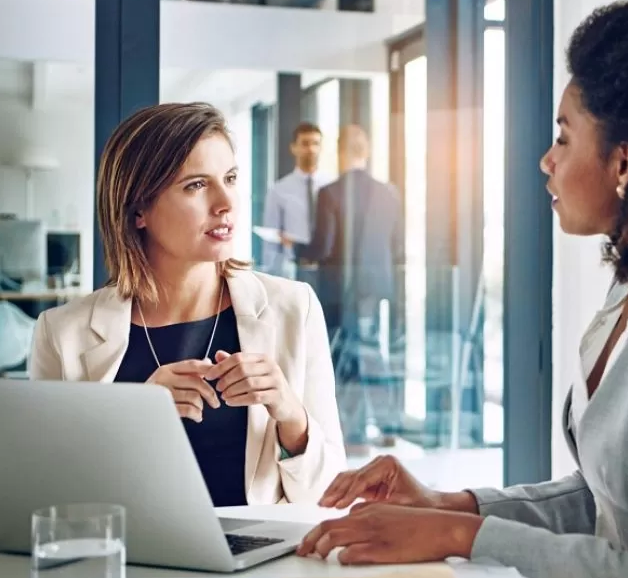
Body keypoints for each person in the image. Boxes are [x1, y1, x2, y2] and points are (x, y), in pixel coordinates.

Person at [296, 0, 628, 578]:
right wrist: (450, 506)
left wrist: (460, 536)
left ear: (623, 164)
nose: (546, 160)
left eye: (564, 137)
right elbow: (605, 501)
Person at [28, 102, 347, 507]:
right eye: (196, 185)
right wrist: (134, 417)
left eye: (230, 178)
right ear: (138, 209)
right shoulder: (61, 334)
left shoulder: (294, 309)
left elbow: (332, 496)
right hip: (131, 564)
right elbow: (46, 500)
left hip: (255, 566)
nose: (225, 203)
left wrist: (289, 413)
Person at [301, 124, 404, 452]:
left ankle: (353, 431)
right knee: (372, 351)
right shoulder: (390, 193)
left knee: (344, 354)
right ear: (367, 151)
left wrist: (296, 249)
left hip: (341, 288)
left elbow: (323, 247)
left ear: (341, 151)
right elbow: (397, 247)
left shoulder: (330, 193)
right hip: (377, 284)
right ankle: (389, 424)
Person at [261, 122, 335, 277]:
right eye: (305, 144)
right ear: (293, 148)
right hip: (293, 270)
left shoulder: (332, 187)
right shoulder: (278, 190)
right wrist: (270, 274)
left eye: (316, 143)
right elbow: (272, 238)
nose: (311, 149)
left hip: (328, 270)